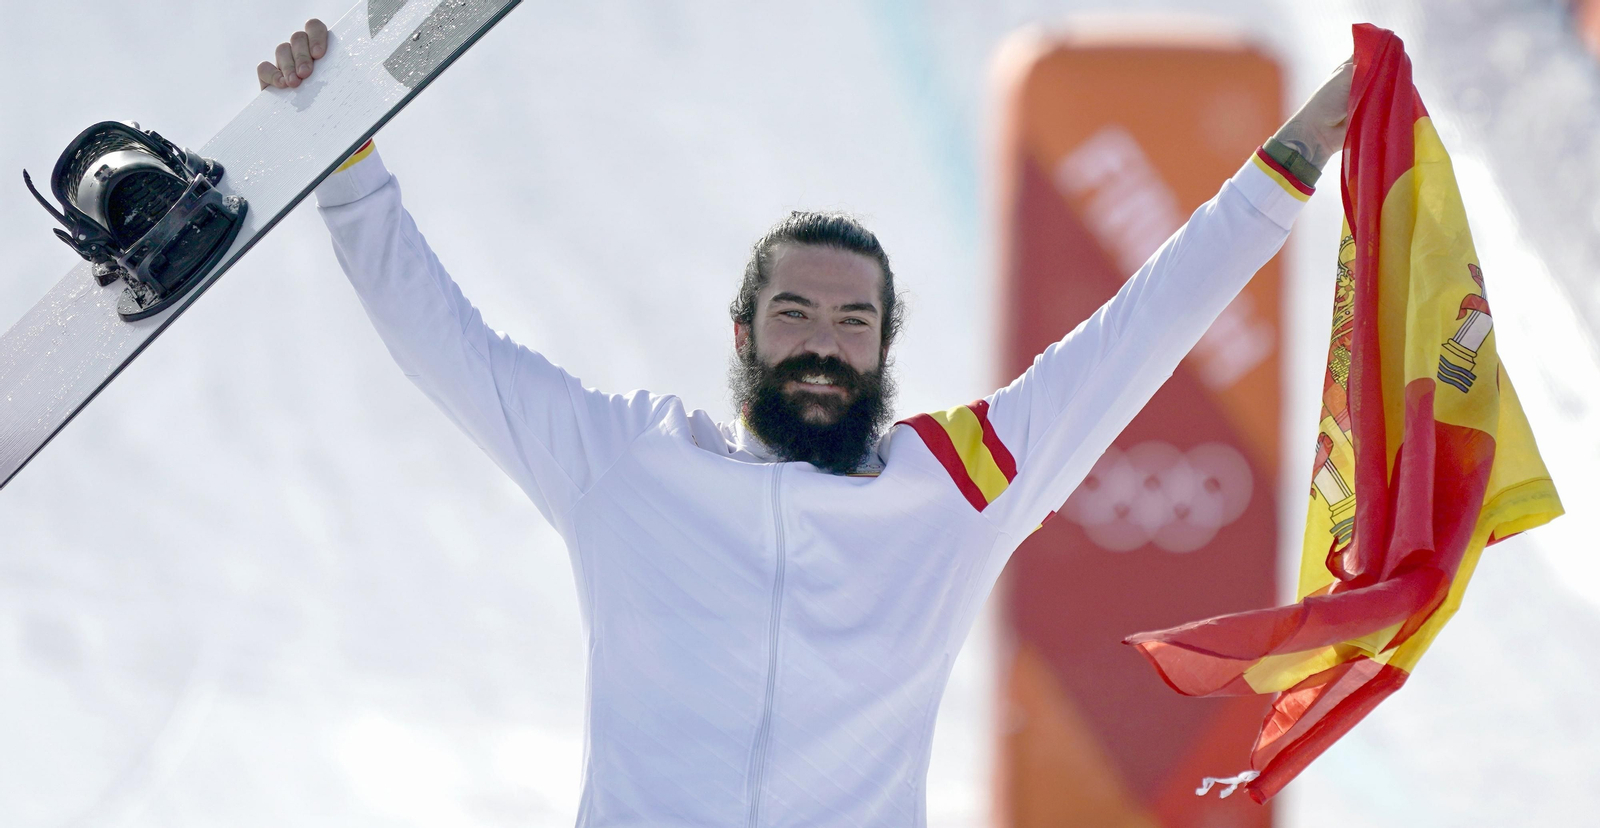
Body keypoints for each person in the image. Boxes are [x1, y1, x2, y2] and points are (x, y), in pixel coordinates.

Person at [262, 19, 1351, 827]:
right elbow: (442, 344)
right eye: (794, 315)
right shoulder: (629, 466)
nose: (823, 344)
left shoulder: (954, 489)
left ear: (884, 345)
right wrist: (344, 167)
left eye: (851, 320)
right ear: (742, 336)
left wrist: (1305, 148)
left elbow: (1143, 325)